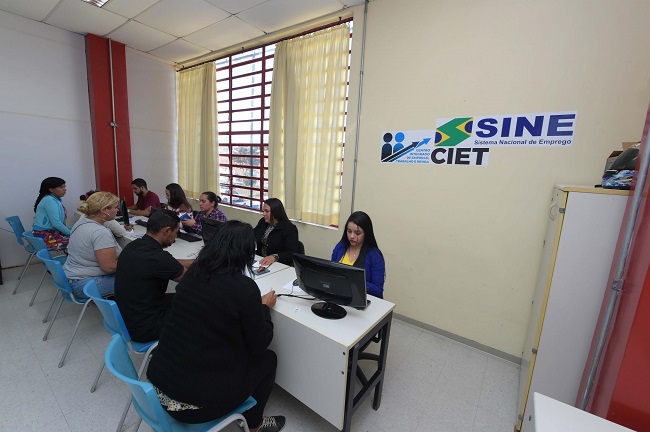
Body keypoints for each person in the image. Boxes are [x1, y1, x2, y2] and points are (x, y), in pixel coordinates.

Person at [146, 221, 285, 432]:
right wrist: (264, 308)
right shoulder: (244, 288)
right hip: (192, 407)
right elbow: (260, 343)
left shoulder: (194, 273)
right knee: (268, 359)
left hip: (157, 388)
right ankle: (255, 425)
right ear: (246, 254)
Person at [115, 209, 194, 343]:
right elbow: (193, 281)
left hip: (127, 318)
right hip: (146, 328)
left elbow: (170, 264)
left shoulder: (134, 246)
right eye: (176, 233)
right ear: (167, 231)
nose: (175, 237)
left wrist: (196, 262)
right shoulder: (159, 258)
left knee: (181, 299)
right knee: (199, 307)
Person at [63, 192, 122, 298]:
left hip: (71, 279)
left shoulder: (80, 223)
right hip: (84, 285)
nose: (117, 210)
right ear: (105, 210)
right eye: (115, 207)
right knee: (141, 277)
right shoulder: (100, 232)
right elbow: (109, 267)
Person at [331, 211, 385, 298]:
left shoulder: (374, 255)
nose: (352, 236)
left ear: (366, 233)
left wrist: (355, 280)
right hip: (339, 295)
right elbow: (331, 272)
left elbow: (378, 291)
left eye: (357, 233)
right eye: (349, 231)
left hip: (361, 299)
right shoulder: (340, 247)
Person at [253, 198, 301, 267]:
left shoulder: (289, 229)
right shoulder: (263, 222)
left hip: (278, 264)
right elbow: (254, 237)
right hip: (261, 261)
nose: (264, 214)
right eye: (263, 211)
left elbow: (291, 253)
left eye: (267, 211)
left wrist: (274, 257)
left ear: (276, 212)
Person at [32, 177, 71, 250]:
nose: (65, 189)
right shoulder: (49, 200)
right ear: (51, 189)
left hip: (49, 233)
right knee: (78, 241)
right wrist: (71, 233)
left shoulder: (55, 200)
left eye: (64, 187)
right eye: (61, 187)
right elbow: (56, 224)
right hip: (45, 236)